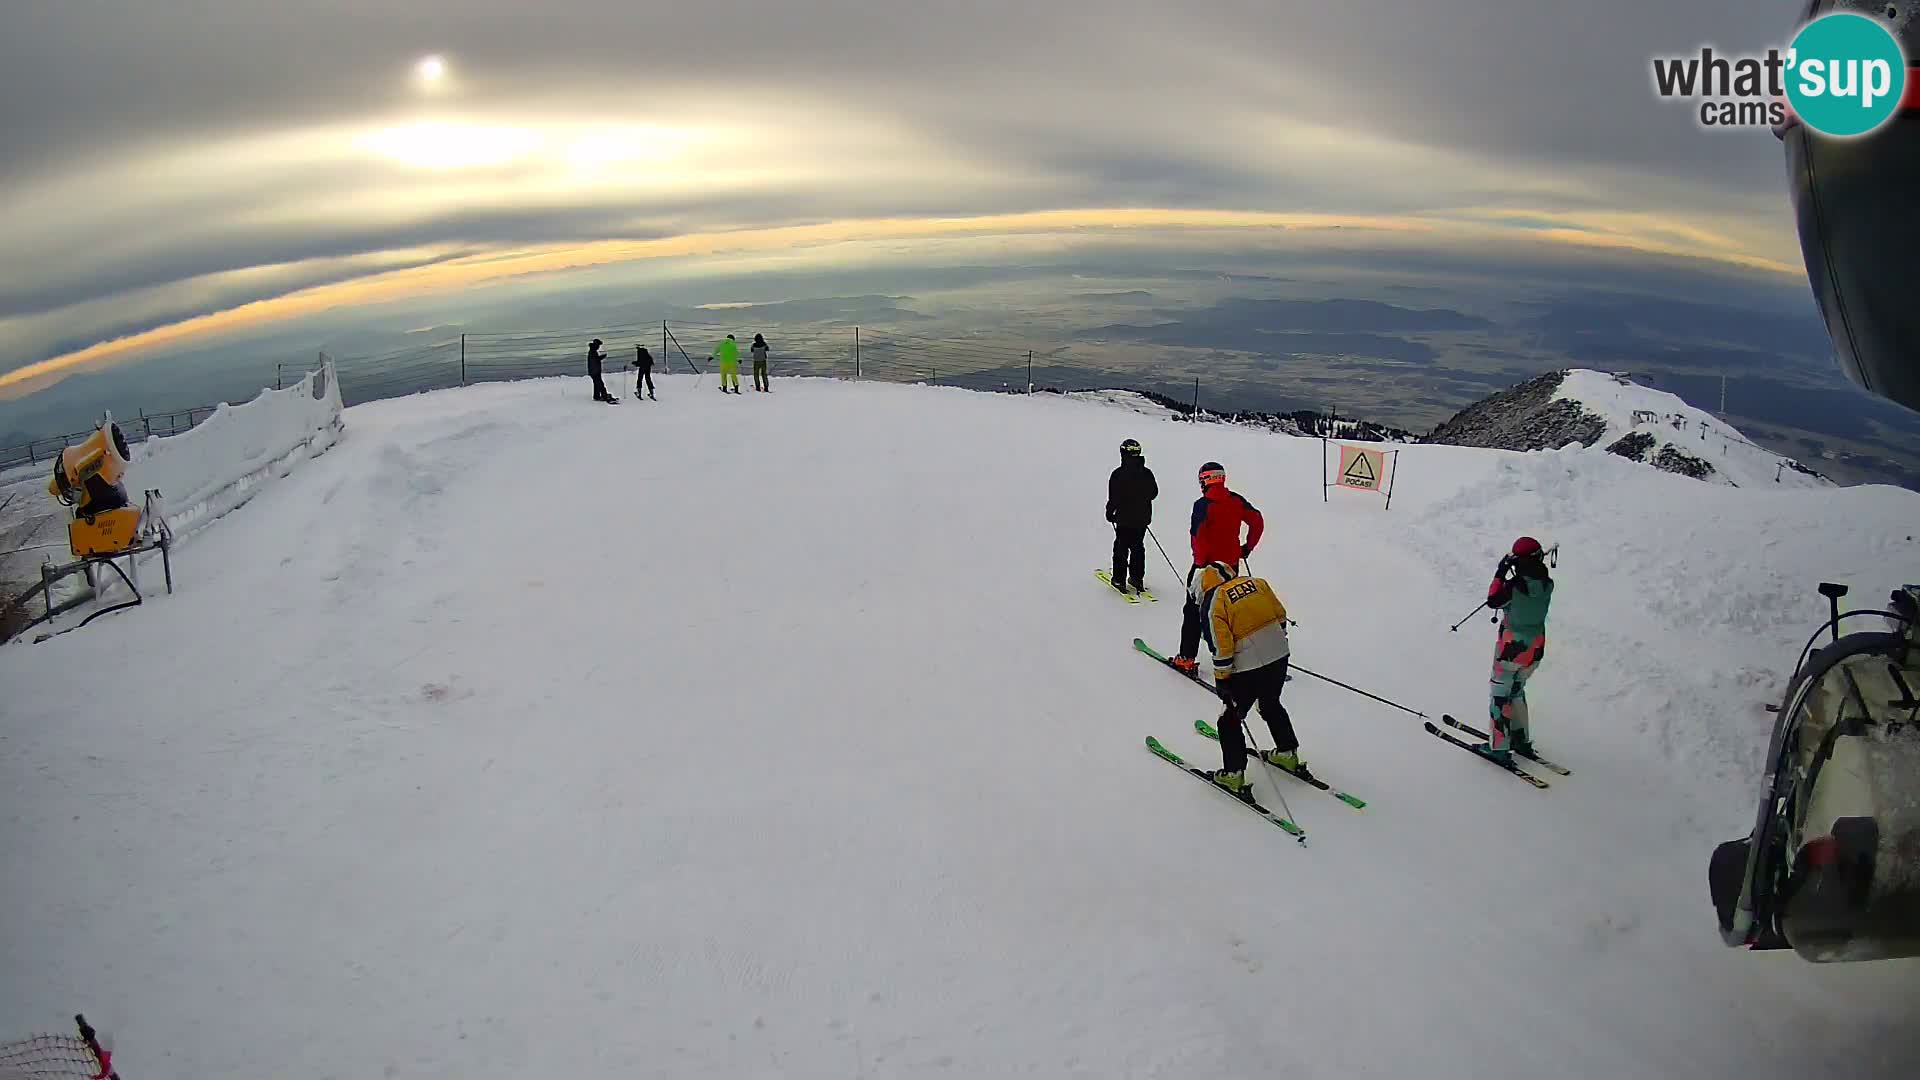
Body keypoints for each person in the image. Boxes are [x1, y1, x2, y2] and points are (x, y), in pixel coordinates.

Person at [1186, 560, 1300, 798]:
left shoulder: (1213, 601)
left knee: (1229, 718)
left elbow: (1221, 646)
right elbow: (1280, 615)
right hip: (1280, 654)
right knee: (1270, 702)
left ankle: (1233, 774)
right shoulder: (1256, 582)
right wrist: (1272, 646)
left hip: (1247, 666)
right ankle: (1288, 753)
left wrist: (1222, 680)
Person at [1173, 462, 1263, 672]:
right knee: (1231, 610)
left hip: (1207, 569)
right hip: (1231, 567)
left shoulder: (1203, 505)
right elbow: (1257, 521)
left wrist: (1201, 565)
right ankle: (1243, 657)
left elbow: (1198, 535)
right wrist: (1247, 548)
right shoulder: (1236, 500)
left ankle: (1186, 658)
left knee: (1193, 613)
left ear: (1205, 480)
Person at [1481, 536, 1553, 764]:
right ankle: (1520, 739)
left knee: (1500, 695)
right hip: (1535, 648)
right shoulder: (1547, 584)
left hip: (1511, 648)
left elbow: (1493, 600)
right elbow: (1531, 582)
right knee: (1517, 691)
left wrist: (1500, 573)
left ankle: (1499, 747)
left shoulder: (1513, 587)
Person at [1104, 438, 1157, 593]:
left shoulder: (1118, 474)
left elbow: (1113, 497)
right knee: (1137, 548)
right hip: (1142, 519)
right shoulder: (1147, 473)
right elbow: (1154, 493)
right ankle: (1136, 578)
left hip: (1124, 519)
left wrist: (1109, 512)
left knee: (1121, 547)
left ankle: (1119, 579)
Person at [586, 338, 617, 403]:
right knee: (600, 384)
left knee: (597, 384)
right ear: (596, 345)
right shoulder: (593, 351)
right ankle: (604, 396)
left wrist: (601, 357)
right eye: (599, 345)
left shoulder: (592, 350)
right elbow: (595, 360)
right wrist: (602, 357)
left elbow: (595, 359)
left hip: (594, 371)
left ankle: (596, 396)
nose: (599, 347)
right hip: (595, 371)